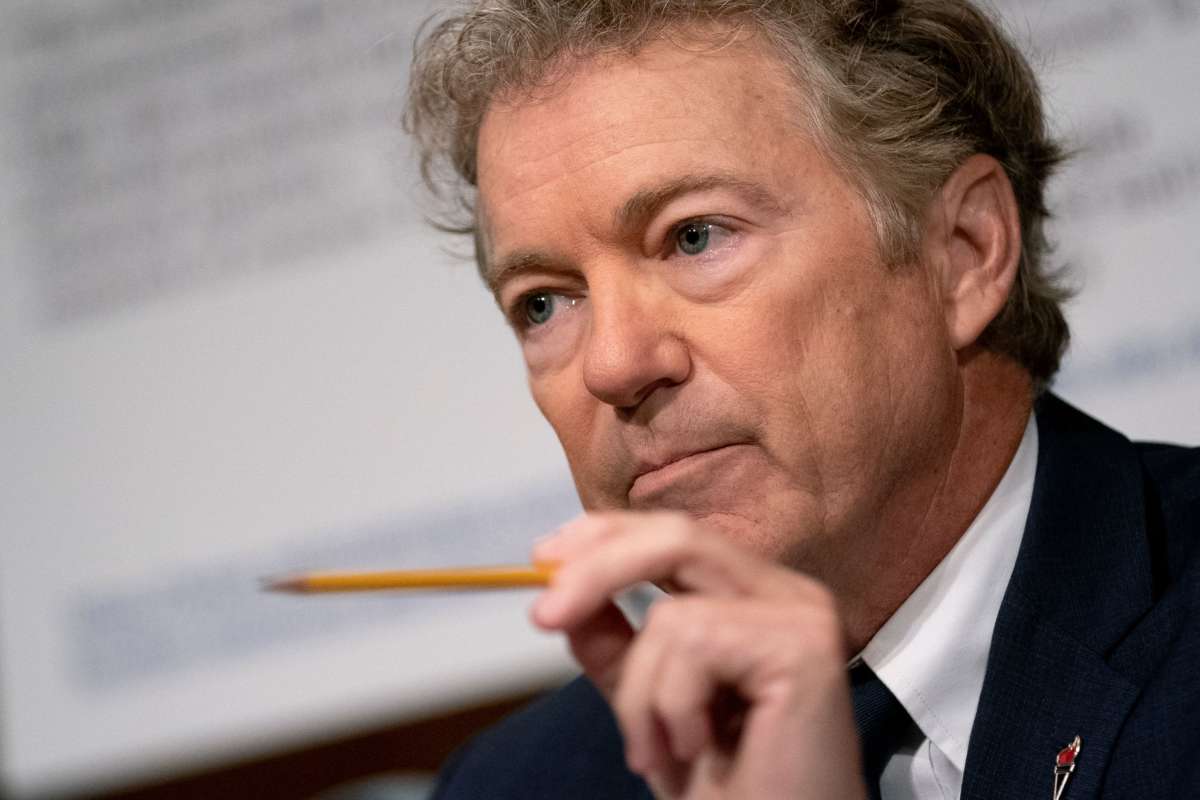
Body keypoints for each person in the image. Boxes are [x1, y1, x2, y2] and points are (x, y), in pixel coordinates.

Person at [403, 1, 1200, 798]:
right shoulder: (524, 784)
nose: (613, 366)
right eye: (543, 302)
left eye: (695, 236)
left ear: (965, 253)